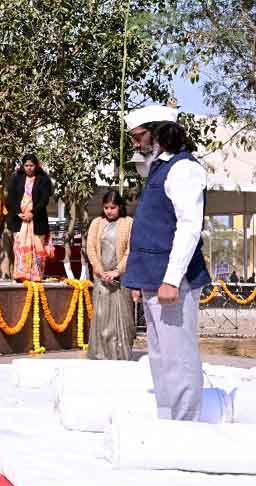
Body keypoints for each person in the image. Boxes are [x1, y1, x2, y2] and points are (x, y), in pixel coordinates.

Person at [122, 105, 209, 421]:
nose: (135, 144)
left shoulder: (184, 169)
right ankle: (167, 421)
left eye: (139, 136)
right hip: (152, 278)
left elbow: (189, 226)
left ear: (158, 132)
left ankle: (185, 425)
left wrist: (171, 279)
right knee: (159, 356)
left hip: (173, 279)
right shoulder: (159, 169)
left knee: (178, 356)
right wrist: (140, 281)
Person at [85, 191, 136, 360]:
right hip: (101, 280)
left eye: (112, 208)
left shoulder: (128, 223)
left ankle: (121, 356)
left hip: (122, 280)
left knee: (123, 319)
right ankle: (100, 356)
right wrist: (99, 270)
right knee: (101, 317)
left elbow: (131, 250)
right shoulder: (97, 223)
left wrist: (117, 271)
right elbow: (90, 248)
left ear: (120, 206)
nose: (109, 211)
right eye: (106, 207)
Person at [10, 154, 53, 281]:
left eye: (31, 165)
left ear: (36, 166)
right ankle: (21, 276)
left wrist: (32, 213)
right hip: (20, 221)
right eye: (26, 165)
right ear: (23, 166)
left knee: (38, 249)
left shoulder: (43, 179)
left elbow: (44, 199)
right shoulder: (16, 179)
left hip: (37, 220)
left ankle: (37, 276)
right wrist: (19, 213)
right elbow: (11, 198)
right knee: (19, 248)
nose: (29, 168)